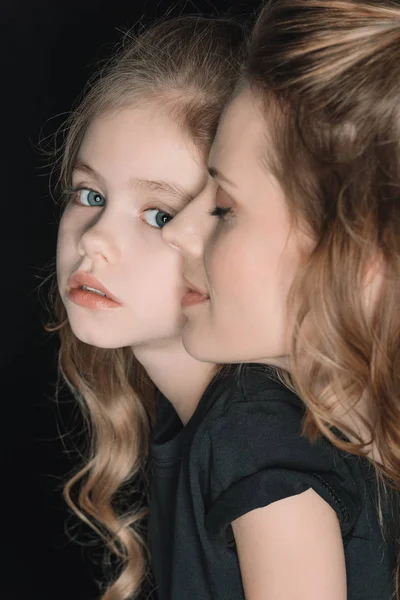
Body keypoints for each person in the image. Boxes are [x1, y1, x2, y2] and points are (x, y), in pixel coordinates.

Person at [160, 0, 400, 598]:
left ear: (362, 264)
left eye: (224, 209)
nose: (178, 231)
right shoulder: (281, 426)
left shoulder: (252, 429)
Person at [51, 16, 244, 600]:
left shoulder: (252, 436)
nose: (92, 240)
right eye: (91, 195)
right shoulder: (195, 422)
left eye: (159, 214)